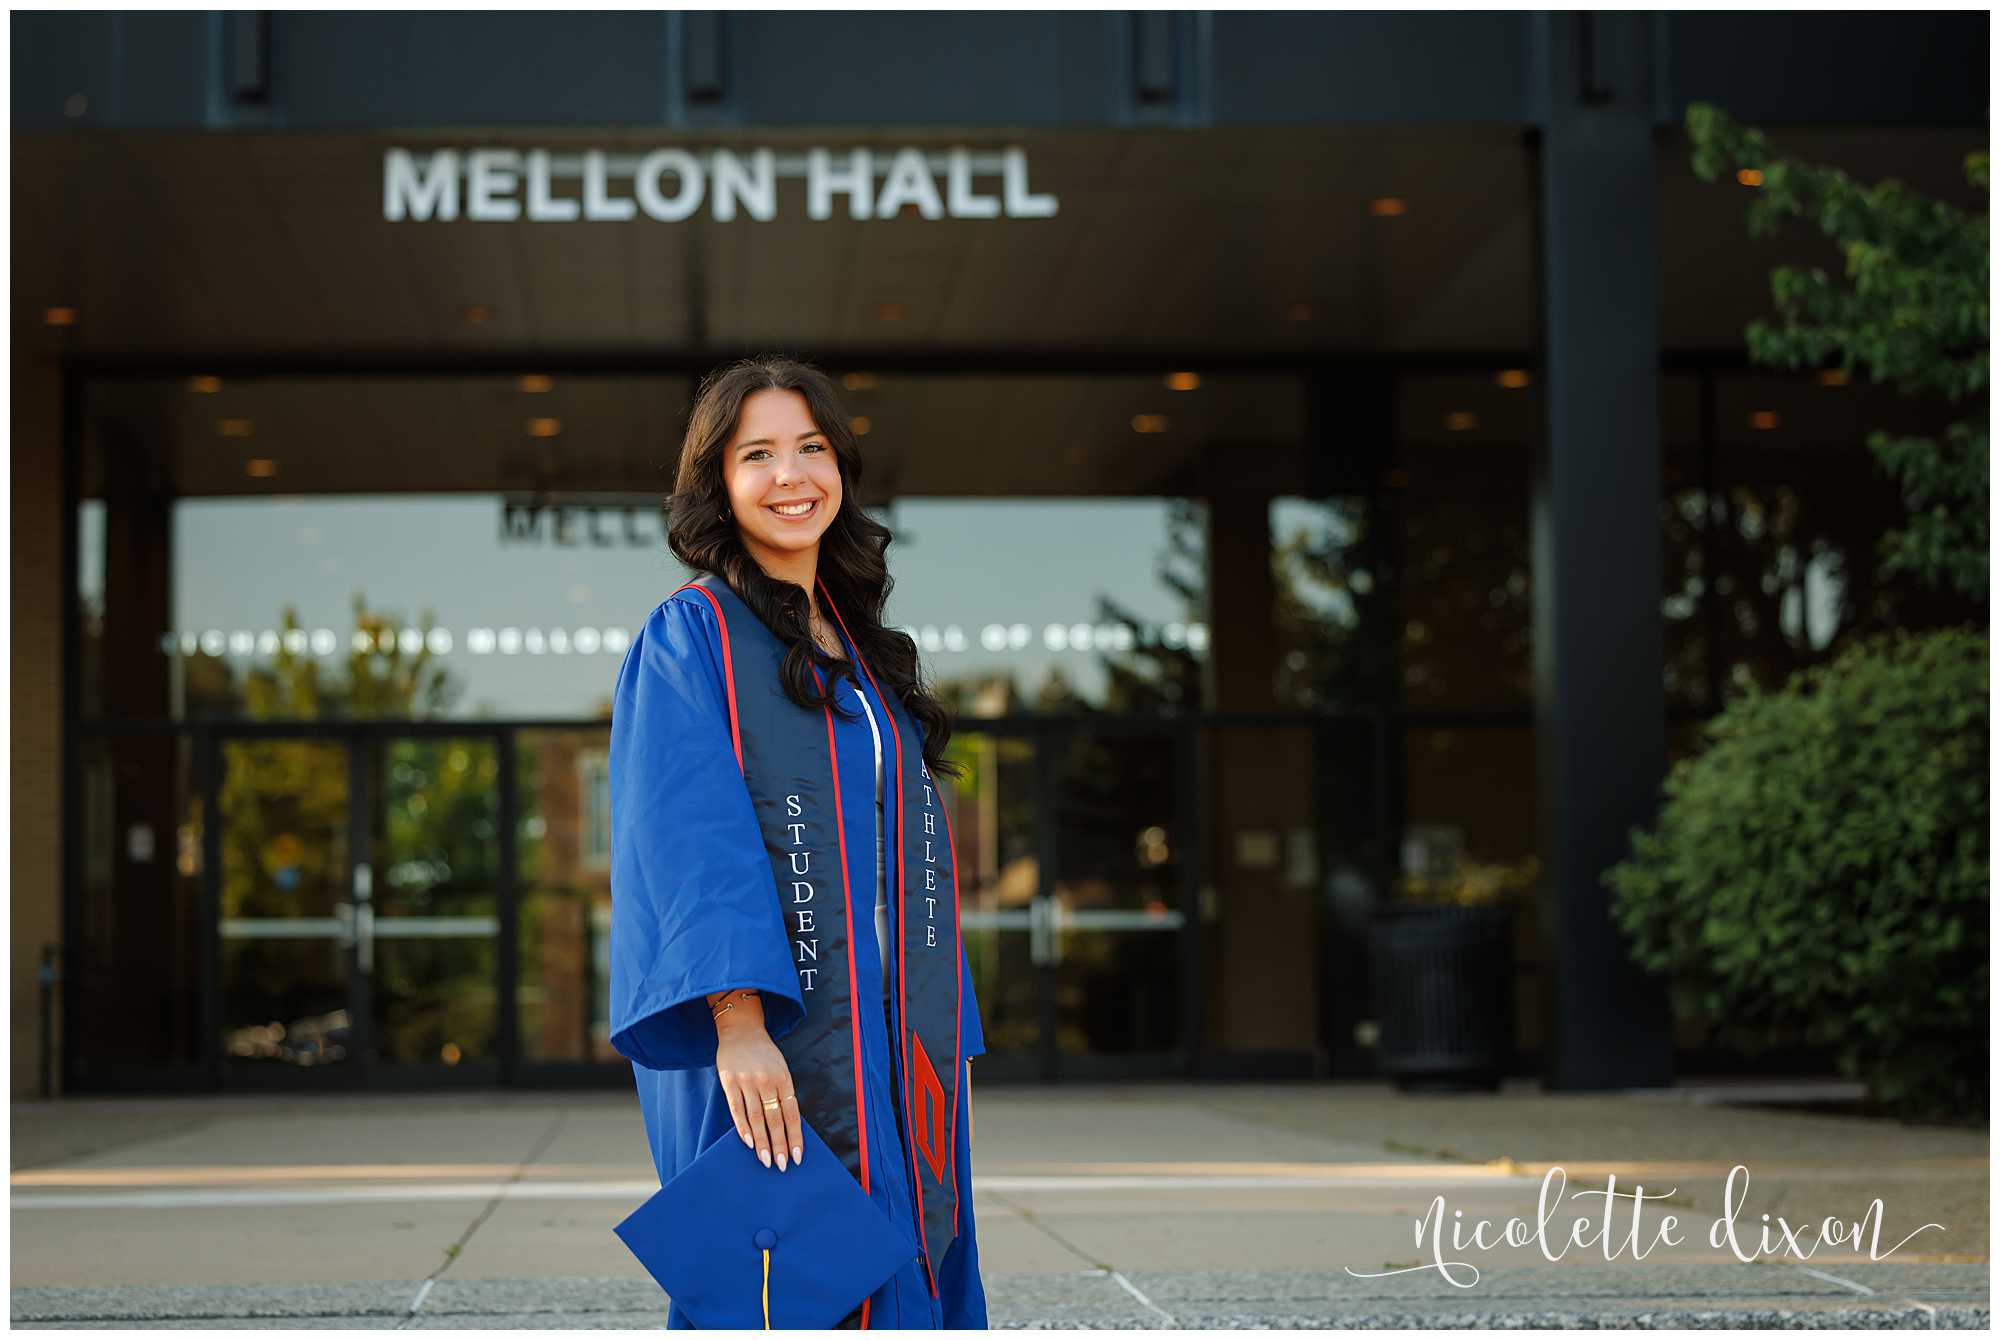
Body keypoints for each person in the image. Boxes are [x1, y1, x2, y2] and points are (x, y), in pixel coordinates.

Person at [608, 355, 989, 1329]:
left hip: (890, 1040)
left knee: (906, 1261)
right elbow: (686, 837)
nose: (792, 476)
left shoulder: (860, 654)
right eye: (759, 454)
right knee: (789, 1289)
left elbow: (912, 863)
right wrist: (736, 1020)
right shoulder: (691, 636)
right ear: (718, 482)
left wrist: (948, 1039)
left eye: (812, 448)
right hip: (772, 1036)